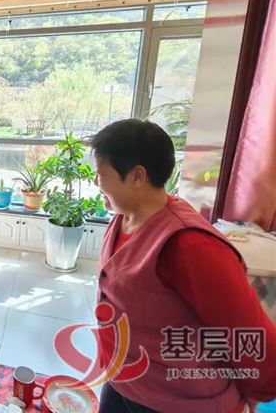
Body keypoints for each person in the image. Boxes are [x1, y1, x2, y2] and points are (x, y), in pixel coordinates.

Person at [90, 119, 276, 413]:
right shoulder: (123, 218)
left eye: (101, 174)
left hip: (175, 399)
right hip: (125, 378)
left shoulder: (190, 245)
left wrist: (259, 392)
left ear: (137, 176)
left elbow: (249, 333)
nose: (95, 182)